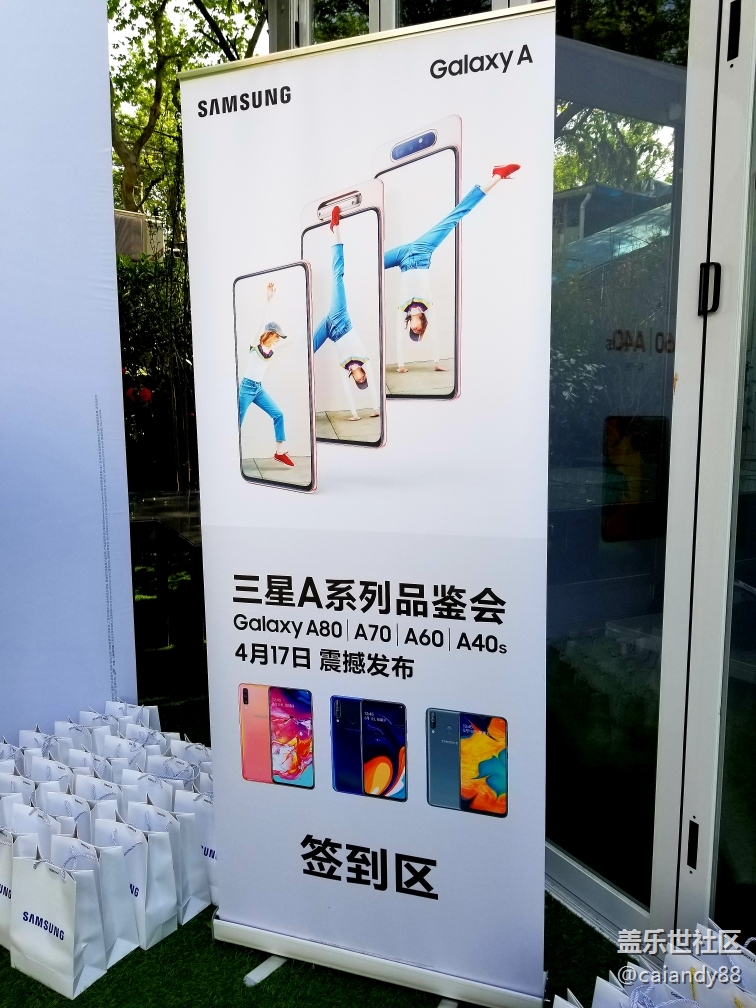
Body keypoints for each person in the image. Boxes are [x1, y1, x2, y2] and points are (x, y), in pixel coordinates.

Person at [384, 163, 520, 373]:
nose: (415, 330)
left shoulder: (402, 309)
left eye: (413, 331)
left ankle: (496, 175)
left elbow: (397, 337)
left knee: (370, 264)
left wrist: (401, 366)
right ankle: (497, 177)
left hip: (403, 257)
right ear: (423, 325)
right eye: (418, 332)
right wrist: (437, 363)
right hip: (422, 253)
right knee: (454, 218)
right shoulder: (428, 306)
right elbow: (435, 336)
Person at [313, 206, 380, 422]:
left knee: (307, 350)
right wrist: (376, 408)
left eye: (358, 381)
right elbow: (374, 389)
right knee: (338, 275)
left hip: (331, 332)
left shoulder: (345, 370)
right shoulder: (365, 361)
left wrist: (354, 415)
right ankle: (336, 230)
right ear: (365, 375)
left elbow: (347, 393)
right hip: (341, 319)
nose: (359, 379)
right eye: (362, 380)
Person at [238, 282, 294, 466]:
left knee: (278, 414)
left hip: (259, 389)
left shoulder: (273, 350)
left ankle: (280, 452)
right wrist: (268, 300)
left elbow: (291, 341)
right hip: (246, 388)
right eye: (277, 337)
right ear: (270, 334)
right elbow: (261, 322)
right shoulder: (255, 344)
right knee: (237, 422)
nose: (278, 340)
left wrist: (306, 330)